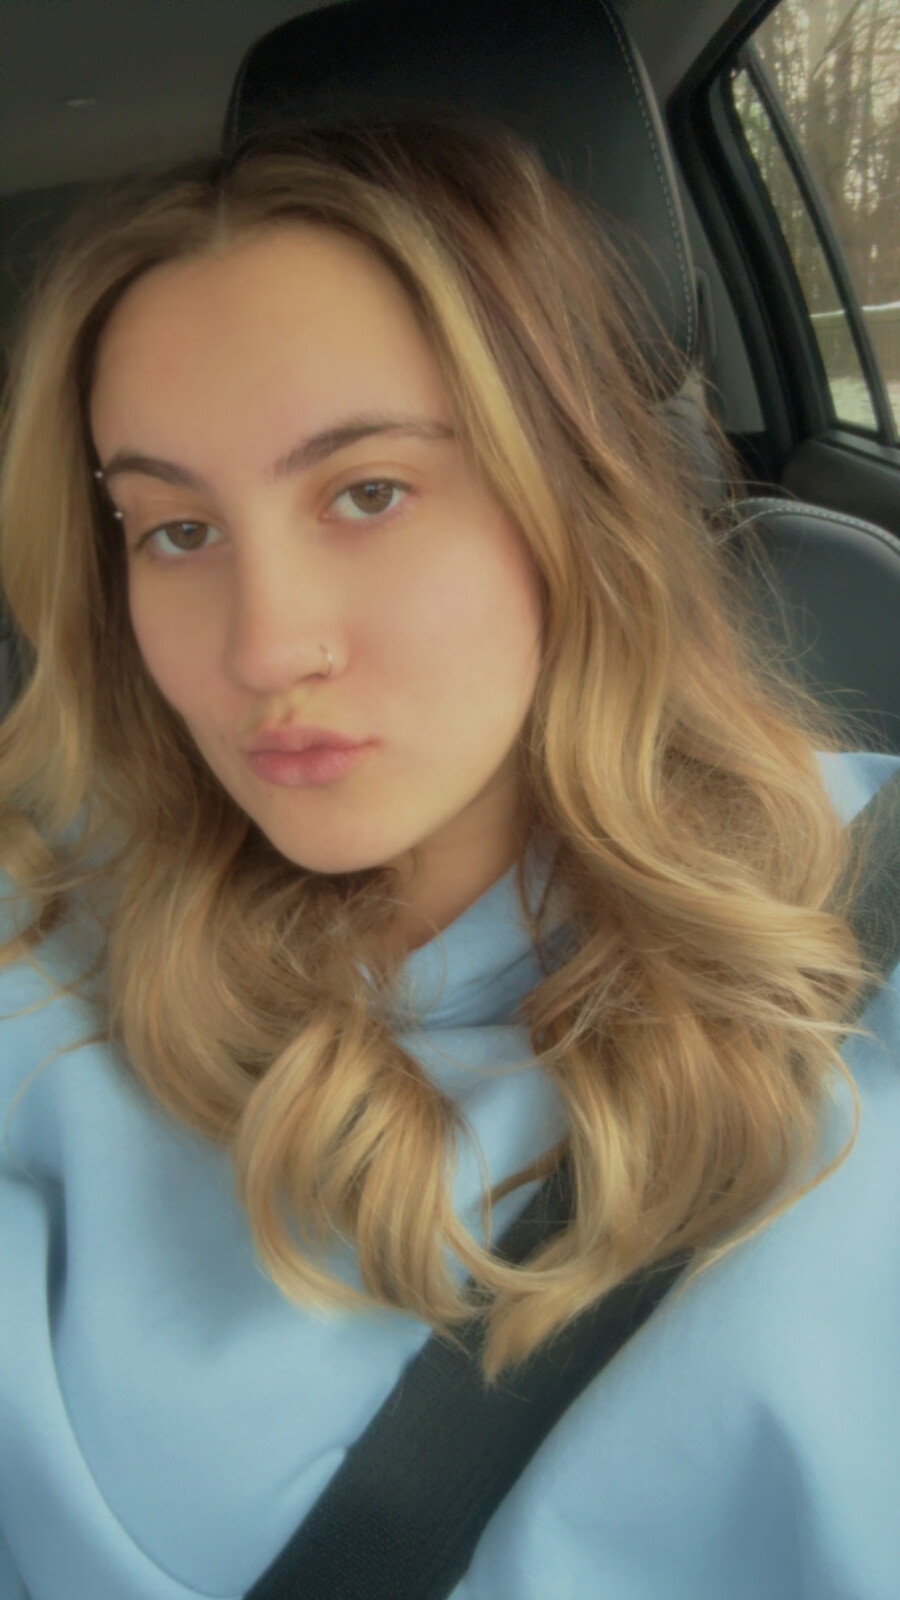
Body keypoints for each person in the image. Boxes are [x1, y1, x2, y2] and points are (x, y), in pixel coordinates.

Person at [1, 116, 898, 1600]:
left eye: (369, 492)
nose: (264, 647)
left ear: (571, 498)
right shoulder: (49, 933)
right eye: (174, 530)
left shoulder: (861, 924)